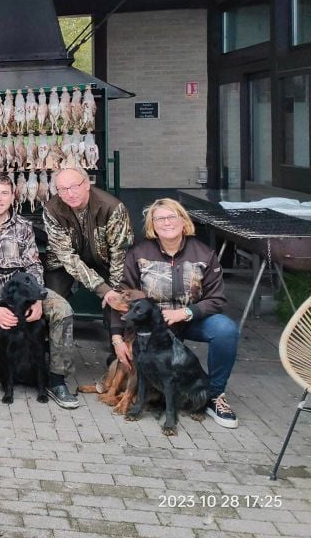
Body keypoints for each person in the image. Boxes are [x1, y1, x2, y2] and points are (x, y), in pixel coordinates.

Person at [0, 172, 79, 409]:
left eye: (4, 193)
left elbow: (33, 264)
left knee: (62, 309)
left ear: (13, 196)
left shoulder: (23, 226)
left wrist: (37, 298)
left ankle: (56, 379)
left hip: (25, 293)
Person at [114, 198, 240, 429]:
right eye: (159, 218)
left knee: (226, 330)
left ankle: (214, 395)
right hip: (153, 327)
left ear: (183, 220)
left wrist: (187, 312)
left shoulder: (204, 254)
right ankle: (150, 395)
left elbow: (217, 298)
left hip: (192, 320)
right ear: (152, 225)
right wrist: (117, 337)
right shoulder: (139, 253)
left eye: (172, 216)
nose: (166, 222)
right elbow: (121, 296)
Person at [42, 167, 134, 306]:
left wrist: (113, 291)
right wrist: (102, 289)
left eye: (74, 187)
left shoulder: (112, 208)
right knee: (53, 304)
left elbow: (119, 253)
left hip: (104, 261)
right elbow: (66, 256)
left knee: (118, 301)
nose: (70, 194)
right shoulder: (52, 210)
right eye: (62, 189)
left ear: (86, 184)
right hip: (62, 264)